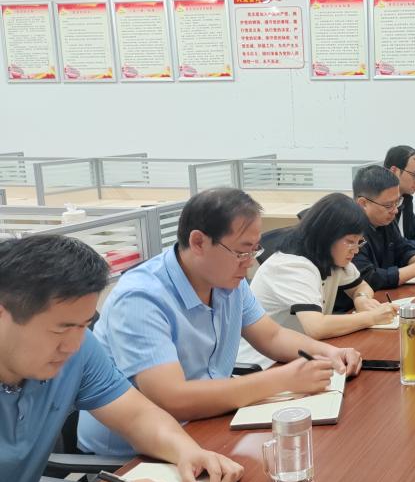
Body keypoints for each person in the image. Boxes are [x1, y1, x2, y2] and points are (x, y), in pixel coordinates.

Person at [0, 235, 243, 482]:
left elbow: (137, 416)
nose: (73, 345)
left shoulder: (78, 350)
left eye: (84, 325)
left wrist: (187, 451)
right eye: (60, 330)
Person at [78, 188, 362, 458]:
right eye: (241, 251)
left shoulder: (227, 280)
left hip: (207, 422)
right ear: (198, 242)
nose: (249, 263)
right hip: (135, 454)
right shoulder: (141, 298)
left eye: (254, 251)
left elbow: (272, 336)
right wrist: (280, 380)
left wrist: (330, 353)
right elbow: (172, 399)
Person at [236, 194, 398, 369]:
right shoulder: (292, 265)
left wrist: (361, 299)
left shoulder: (331, 257)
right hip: (264, 363)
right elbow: (316, 327)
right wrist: (370, 317)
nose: (356, 250)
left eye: (359, 242)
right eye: (350, 242)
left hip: (302, 354)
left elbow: (362, 286)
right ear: (327, 236)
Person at [354, 165, 415, 293]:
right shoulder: (348, 229)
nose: (395, 211)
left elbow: (401, 247)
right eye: (388, 205)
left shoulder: (385, 219)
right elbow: (367, 277)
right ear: (363, 203)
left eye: (397, 202)